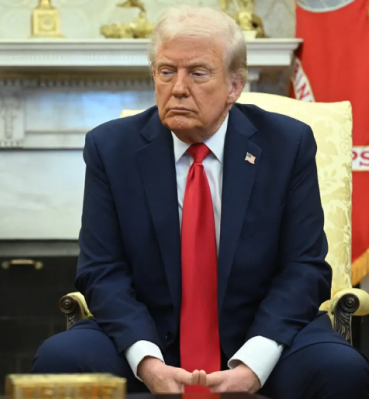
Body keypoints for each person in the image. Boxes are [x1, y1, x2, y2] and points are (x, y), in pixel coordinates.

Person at [32, 5, 369, 399]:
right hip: (148, 332)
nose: (177, 87)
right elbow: (101, 270)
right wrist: (147, 361)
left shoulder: (286, 144)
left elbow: (305, 269)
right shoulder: (111, 148)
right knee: (61, 358)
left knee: (341, 370)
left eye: (198, 73)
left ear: (234, 86)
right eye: (166, 71)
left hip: (262, 331)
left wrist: (254, 363)